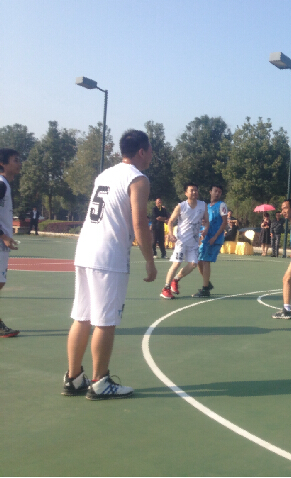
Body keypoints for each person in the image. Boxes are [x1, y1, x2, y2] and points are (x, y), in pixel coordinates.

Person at [63, 130, 156, 399]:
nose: (152, 155)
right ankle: (100, 382)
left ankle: (73, 378)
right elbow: (139, 223)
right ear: (141, 151)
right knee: (105, 321)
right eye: (150, 150)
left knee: (82, 317)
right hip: (109, 256)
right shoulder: (138, 179)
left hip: (85, 250)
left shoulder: (105, 174)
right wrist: (150, 260)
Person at [160, 183, 208, 299]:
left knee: (193, 264)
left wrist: (206, 229)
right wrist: (171, 234)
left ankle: (175, 280)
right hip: (181, 241)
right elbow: (170, 221)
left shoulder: (203, 205)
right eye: (191, 190)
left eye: (196, 190)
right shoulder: (181, 206)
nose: (194, 192)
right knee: (177, 263)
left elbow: (206, 221)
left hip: (194, 242)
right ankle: (165, 289)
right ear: (186, 193)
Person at [0, 148, 21, 338]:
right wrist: (4, 236)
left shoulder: (5, 184)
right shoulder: (1, 184)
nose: (19, 163)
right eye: (15, 160)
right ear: (3, 163)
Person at [193, 185, 228, 298]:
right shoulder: (207, 206)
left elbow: (224, 222)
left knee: (206, 260)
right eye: (215, 191)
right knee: (199, 260)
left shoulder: (222, 205)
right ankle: (207, 283)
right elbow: (206, 221)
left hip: (215, 238)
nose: (217, 193)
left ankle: (205, 289)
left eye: (219, 192)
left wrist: (215, 236)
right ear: (210, 192)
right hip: (206, 237)